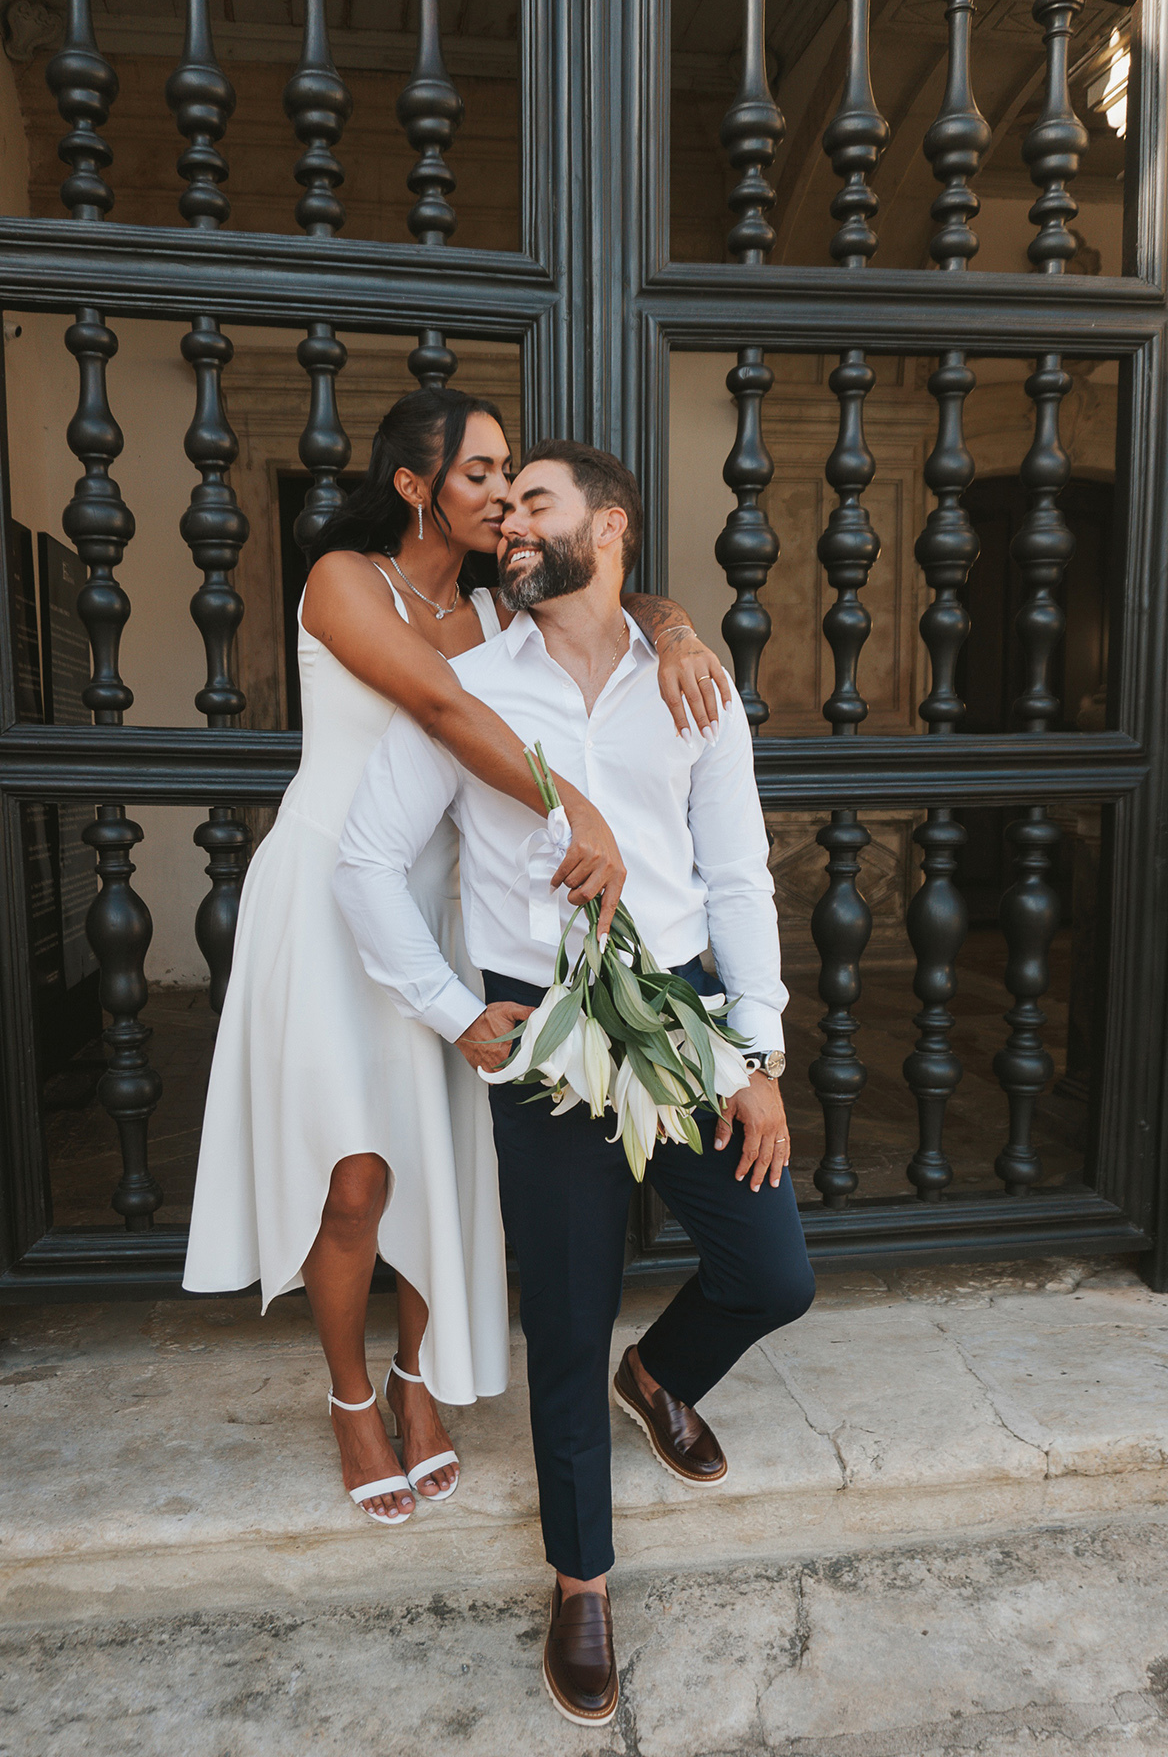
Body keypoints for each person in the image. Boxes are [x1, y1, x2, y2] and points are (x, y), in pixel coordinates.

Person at [183, 390, 733, 1531]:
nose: (500, 494)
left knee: (444, 1167)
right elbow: (436, 704)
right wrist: (567, 797)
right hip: (332, 893)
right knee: (355, 1178)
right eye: (480, 472)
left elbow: (615, 597)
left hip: (443, 907)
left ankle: (418, 1384)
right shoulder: (344, 579)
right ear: (413, 487)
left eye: (513, 477)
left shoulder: (497, 608)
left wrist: (677, 631)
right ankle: (347, 1397)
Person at [333, 438, 817, 1724]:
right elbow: (365, 865)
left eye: (533, 503)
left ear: (611, 527)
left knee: (774, 1272)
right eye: (500, 509)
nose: (507, 524)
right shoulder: (470, 690)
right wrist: (451, 1012)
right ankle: (582, 1582)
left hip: (682, 1010)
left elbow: (735, 879)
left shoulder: (690, 683)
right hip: (543, 1031)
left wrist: (758, 1050)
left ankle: (660, 1380)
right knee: (566, 1308)